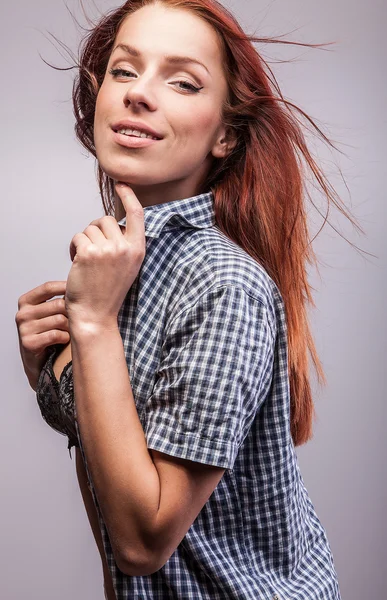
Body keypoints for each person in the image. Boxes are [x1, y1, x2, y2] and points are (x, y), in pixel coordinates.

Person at [15, 0, 360, 598]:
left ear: (225, 134)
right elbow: (113, 489)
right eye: (125, 70)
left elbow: (142, 542)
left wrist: (90, 328)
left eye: (182, 81)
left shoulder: (223, 285)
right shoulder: (124, 262)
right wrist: (55, 368)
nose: (139, 94)